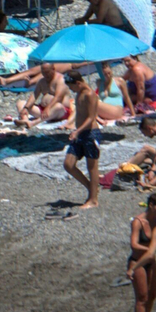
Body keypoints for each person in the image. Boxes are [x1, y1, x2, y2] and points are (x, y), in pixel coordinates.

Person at [62, 70, 101, 208]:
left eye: (72, 86)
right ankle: (91, 189)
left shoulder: (90, 94)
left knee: (92, 167)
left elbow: (91, 117)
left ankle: (93, 200)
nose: (71, 89)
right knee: (68, 164)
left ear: (78, 83)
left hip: (91, 133)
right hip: (79, 133)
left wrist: (77, 131)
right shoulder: (79, 93)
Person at [15, 64, 70, 128]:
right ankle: (25, 120)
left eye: (47, 72)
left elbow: (58, 97)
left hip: (60, 112)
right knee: (21, 103)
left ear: (53, 69)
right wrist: (26, 108)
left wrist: (48, 108)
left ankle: (34, 123)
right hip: (43, 111)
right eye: (44, 73)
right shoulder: (42, 81)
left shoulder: (61, 80)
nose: (46, 75)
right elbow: (35, 95)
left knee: (58, 106)